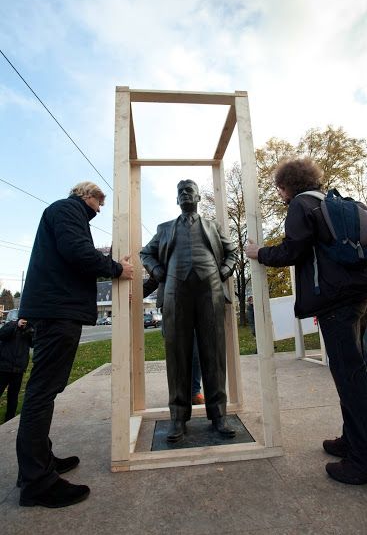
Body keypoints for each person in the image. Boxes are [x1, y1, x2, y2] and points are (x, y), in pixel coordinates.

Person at [245, 157, 367, 486]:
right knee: (351, 373)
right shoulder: (330, 201)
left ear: (285, 186)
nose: (279, 194)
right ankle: (354, 442)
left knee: (351, 380)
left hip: (337, 302)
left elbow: (293, 252)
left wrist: (259, 253)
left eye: (278, 189)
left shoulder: (300, 205)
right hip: (362, 294)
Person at [16, 181, 134, 508]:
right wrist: (116, 268)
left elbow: (75, 252)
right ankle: (37, 482)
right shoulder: (68, 209)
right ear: (86, 195)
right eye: (99, 202)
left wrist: (111, 261)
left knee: (46, 389)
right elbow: (77, 252)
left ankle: (39, 461)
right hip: (57, 312)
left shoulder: (65, 214)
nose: (99, 210)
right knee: (42, 391)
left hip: (54, 310)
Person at [140, 179, 237, 442]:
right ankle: (177, 419)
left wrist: (224, 270)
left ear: (197, 197)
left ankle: (219, 416)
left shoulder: (213, 226)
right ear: (176, 200)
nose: (184, 194)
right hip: (175, 292)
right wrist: (157, 271)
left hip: (211, 291)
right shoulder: (164, 228)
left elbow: (232, 252)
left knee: (214, 352)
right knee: (177, 354)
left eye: (189, 190)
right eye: (180, 191)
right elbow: (145, 253)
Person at [143, 276, 205, 404]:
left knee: (196, 353)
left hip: (195, 307)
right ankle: (179, 393)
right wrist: (137, 294)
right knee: (176, 354)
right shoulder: (166, 256)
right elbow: (155, 278)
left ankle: (194, 392)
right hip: (171, 308)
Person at [0, 318, 33, 422]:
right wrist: (16, 325)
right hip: (4, 367)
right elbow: (2, 334)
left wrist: (30, 331)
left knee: (13, 396)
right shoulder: (11, 324)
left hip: (18, 369)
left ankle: (9, 419)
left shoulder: (29, 329)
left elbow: (34, 343)